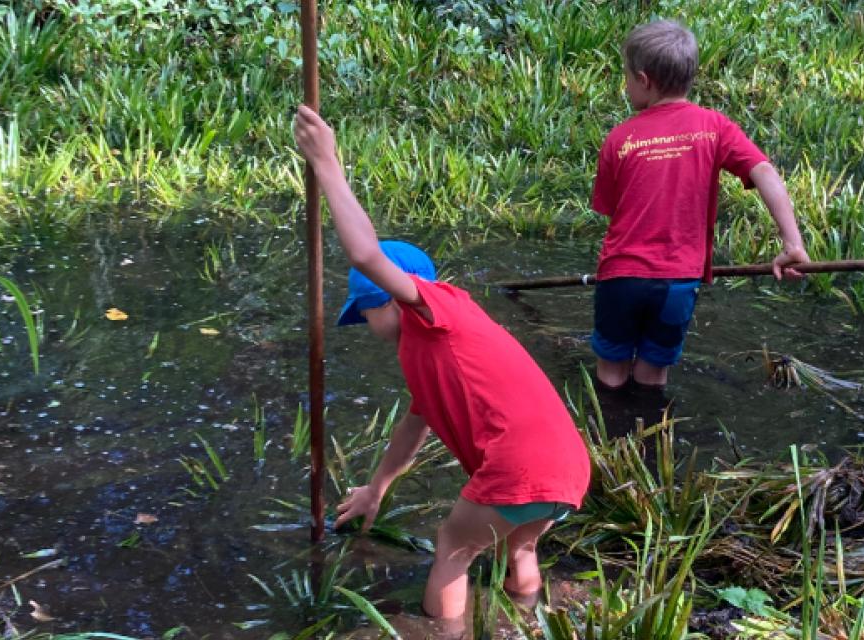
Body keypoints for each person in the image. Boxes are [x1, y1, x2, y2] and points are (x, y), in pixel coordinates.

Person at [293, 105, 591, 623]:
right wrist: (376, 489)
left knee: (453, 543)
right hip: (566, 467)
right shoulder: (434, 353)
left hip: (521, 466)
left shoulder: (435, 307)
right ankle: (522, 623)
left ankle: (440, 634)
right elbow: (414, 428)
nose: (366, 324)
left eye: (364, 312)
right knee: (517, 549)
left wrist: (328, 165)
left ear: (386, 297)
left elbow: (364, 255)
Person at [590, 18, 811, 390]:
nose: (626, 84)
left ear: (644, 80)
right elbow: (764, 172)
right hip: (678, 280)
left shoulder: (620, 138)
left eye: (626, 76)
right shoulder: (714, 127)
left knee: (611, 374)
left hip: (621, 276)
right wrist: (792, 243)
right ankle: (651, 445)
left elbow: (612, 211)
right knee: (652, 377)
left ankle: (607, 444)